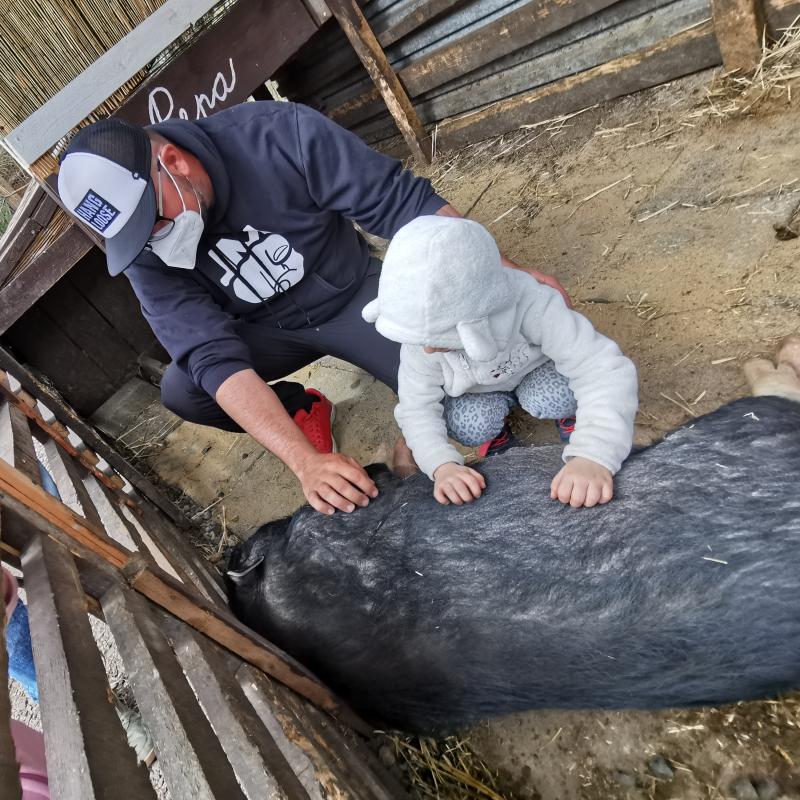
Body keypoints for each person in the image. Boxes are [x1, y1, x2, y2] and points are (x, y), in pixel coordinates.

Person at [56, 103, 570, 515]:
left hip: (355, 297)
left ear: (173, 163)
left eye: (153, 220)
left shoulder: (276, 133)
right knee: (184, 390)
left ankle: (437, 416)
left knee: (459, 379)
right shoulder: (146, 249)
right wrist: (304, 463)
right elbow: (207, 354)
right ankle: (302, 410)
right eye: (136, 235)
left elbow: (401, 205)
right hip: (265, 331)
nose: (154, 240)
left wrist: (502, 271)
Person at [362, 216, 639, 508]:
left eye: (441, 337)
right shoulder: (420, 342)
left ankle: (573, 415)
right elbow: (416, 409)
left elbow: (601, 368)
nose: (428, 350)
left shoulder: (534, 302)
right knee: (468, 425)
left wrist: (594, 453)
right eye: (421, 339)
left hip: (536, 370)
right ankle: (495, 432)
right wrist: (442, 465)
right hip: (479, 392)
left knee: (557, 395)